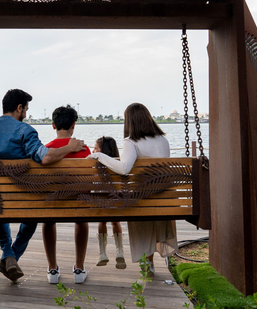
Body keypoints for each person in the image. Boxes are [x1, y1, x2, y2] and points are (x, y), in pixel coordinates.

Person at [0, 89, 86, 282]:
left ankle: (8, 255)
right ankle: (11, 256)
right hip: (24, 200)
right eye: (26, 109)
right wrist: (70, 148)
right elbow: (46, 157)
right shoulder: (25, 131)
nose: (26, 114)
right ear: (19, 108)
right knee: (32, 217)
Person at [87, 103, 178, 276]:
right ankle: (150, 262)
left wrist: (99, 156)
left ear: (129, 121)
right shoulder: (163, 140)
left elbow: (124, 169)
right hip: (165, 197)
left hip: (142, 199)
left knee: (137, 205)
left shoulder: (131, 142)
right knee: (145, 203)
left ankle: (147, 262)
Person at [42, 105, 91, 284]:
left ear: (53, 125)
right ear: (74, 125)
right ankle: (79, 268)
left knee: (48, 220)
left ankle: (52, 269)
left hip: (52, 204)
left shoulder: (46, 150)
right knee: (81, 219)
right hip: (78, 203)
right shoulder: (84, 149)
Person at [92, 136, 126, 269]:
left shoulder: (95, 163)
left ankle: (103, 253)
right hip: (118, 200)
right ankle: (120, 252)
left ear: (102, 151)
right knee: (115, 221)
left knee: (102, 220)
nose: (93, 150)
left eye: (95, 148)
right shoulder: (119, 164)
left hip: (101, 200)